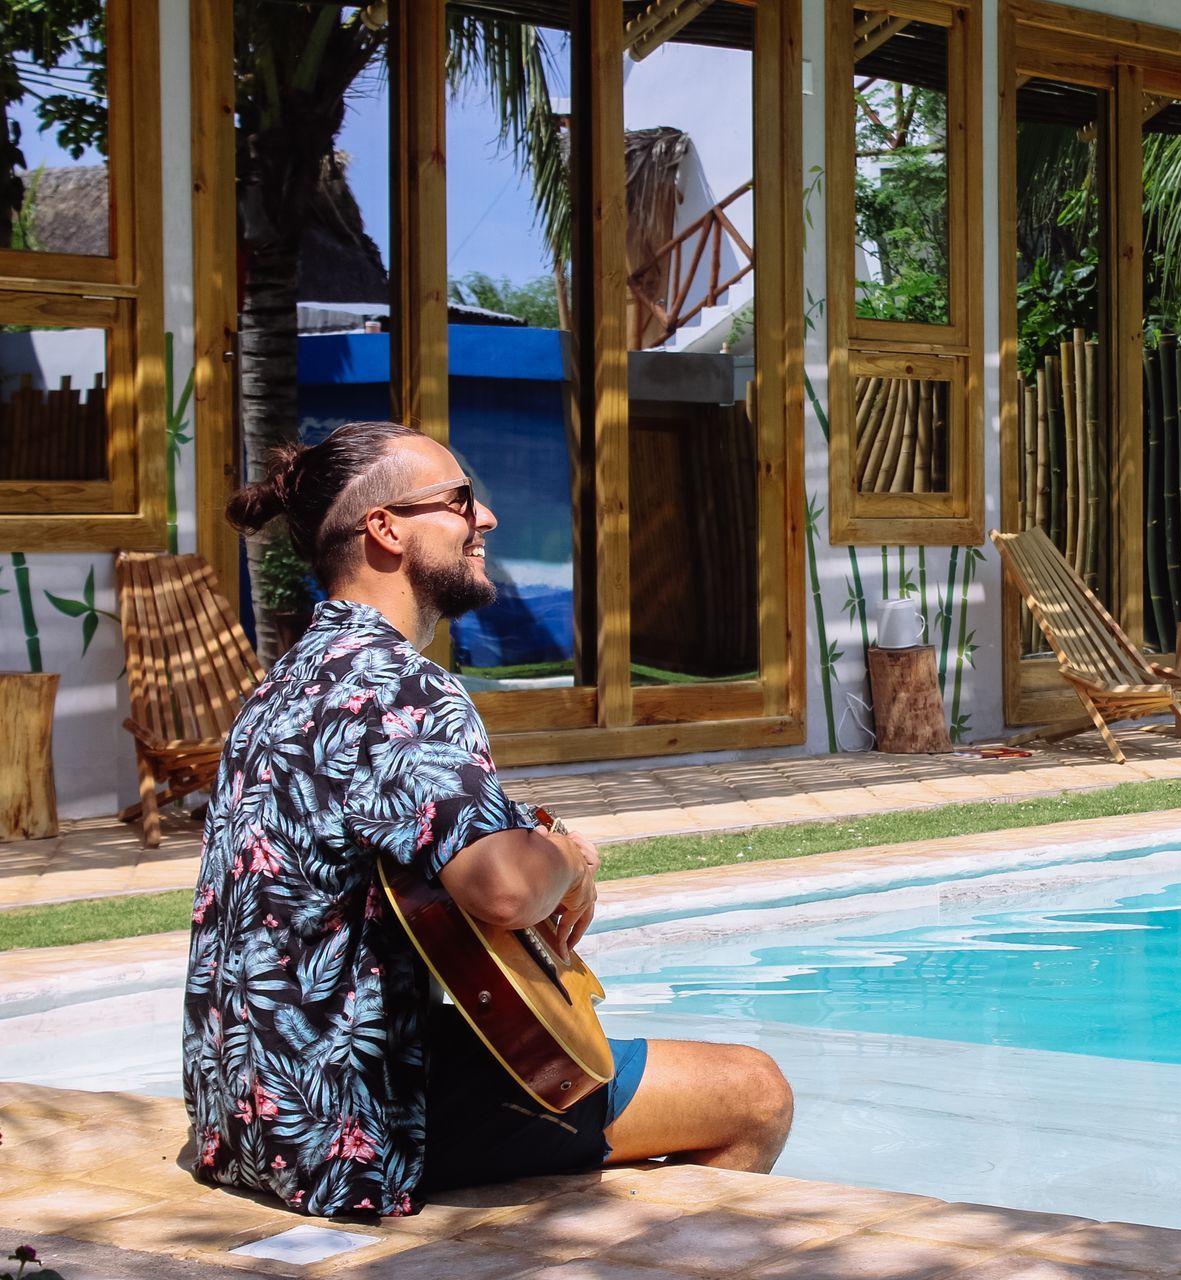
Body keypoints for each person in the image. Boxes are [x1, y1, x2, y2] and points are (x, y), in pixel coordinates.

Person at [182, 420, 792, 1217]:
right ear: (386, 528)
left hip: (246, 1114)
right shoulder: (402, 686)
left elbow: (437, 832)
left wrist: (539, 839)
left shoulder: (287, 681)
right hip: (347, 1128)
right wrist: (572, 857)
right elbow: (503, 890)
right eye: (461, 500)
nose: (487, 518)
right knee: (753, 1091)